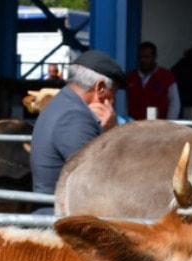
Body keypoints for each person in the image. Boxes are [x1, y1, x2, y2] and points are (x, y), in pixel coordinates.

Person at [30, 49, 123, 204]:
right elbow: (100, 176)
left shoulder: (63, 102)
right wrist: (113, 132)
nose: (114, 102)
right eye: (113, 93)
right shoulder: (75, 117)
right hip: (60, 219)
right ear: (100, 88)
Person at [126, 41, 180, 120]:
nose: (143, 60)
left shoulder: (166, 76)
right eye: (140, 57)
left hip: (159, 126)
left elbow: (174, 102)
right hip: (135, 125)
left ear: (154, 57)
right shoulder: (130, 77)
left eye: (146, 57)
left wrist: (169, 123)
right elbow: (125, 104)